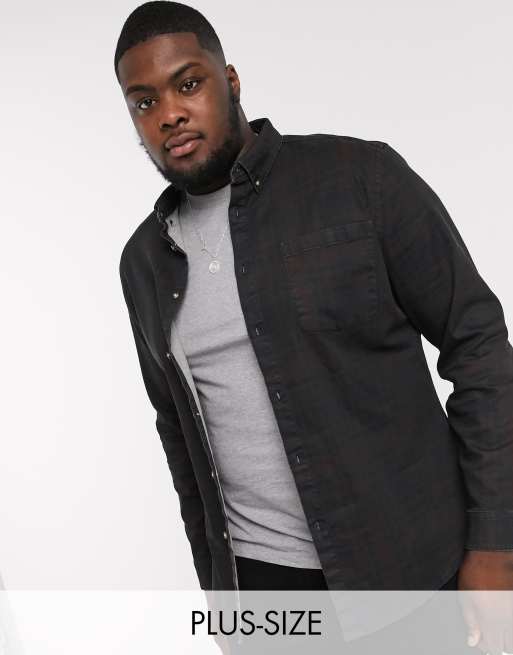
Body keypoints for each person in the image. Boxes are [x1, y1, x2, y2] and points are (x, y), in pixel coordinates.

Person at [115, 0, 513, 648]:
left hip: (409, 572)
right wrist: (219, 595)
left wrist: (496, 543)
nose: (169, 114)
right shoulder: (144, 262)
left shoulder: (361, 179)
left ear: (230, 80)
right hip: (265, 602)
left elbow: (480, 349)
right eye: (144, 102)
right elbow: (178, 434)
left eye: (187, 83)